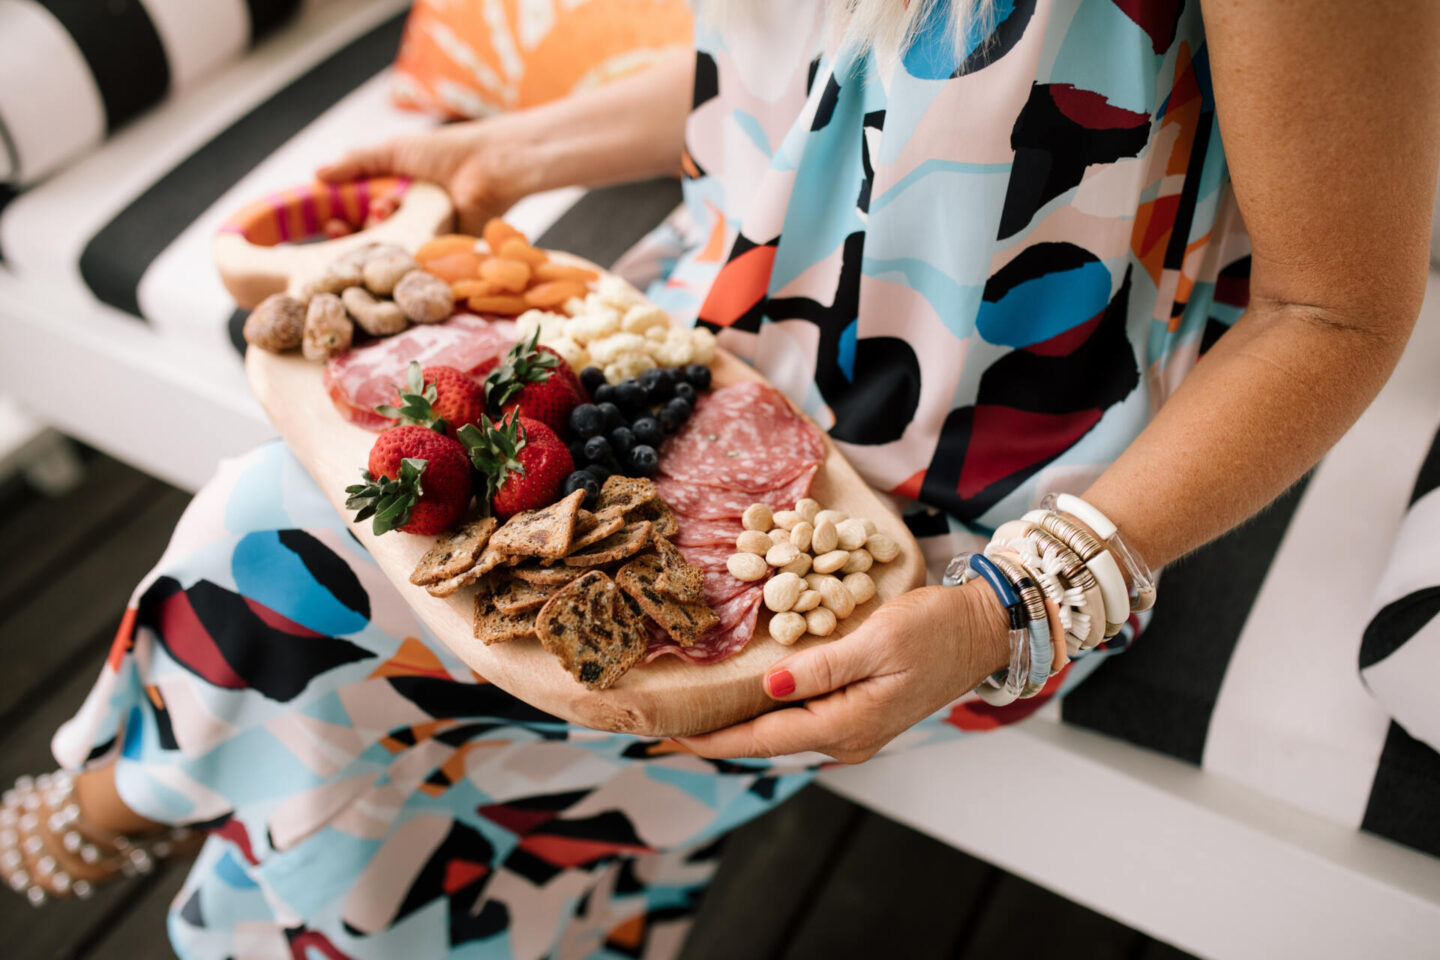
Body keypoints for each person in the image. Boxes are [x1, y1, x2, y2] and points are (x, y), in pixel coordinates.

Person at [4, 0, 1437, 956]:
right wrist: (502, 147)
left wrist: (1013, 605)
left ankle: (129, 784)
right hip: (665, 363)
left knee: (284, 562)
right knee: (356, 734)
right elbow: (778, 61)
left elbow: (1335, 313)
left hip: (960, 533)